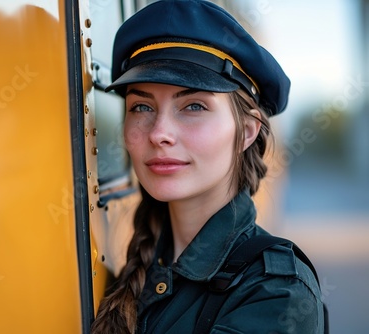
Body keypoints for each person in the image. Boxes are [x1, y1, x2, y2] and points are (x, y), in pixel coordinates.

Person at [91, 0, 325, 333]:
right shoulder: (133, 270)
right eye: (141, 106)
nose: (159, 134)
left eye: (194, 106)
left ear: (246, 131)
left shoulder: (275, 292)